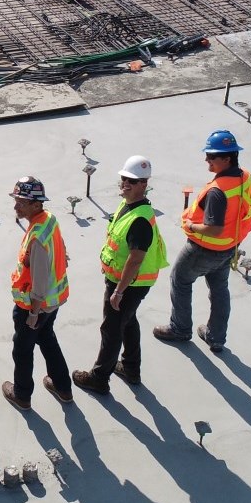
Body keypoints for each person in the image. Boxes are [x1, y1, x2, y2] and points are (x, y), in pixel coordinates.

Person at [155, 130, 251, 353]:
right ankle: (216, 337)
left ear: (227, 158)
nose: (207, 160)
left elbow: (213, 229)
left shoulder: (217, 192)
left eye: (212, 156)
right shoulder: (244, 177)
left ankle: (180, 329)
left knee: (180, 280)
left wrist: (190, 226)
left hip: (204, 249)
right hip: (229, 247)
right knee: (219, 289)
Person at [74, 156, 168, 394]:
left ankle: (98, 378)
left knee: (112, 328)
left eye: (132, 181)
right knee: (127, 321)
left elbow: (135, 258)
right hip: (124, 281)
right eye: (124, 179)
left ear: (144, 184)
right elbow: (117, 242)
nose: (125, 184)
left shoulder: (139, 220)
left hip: (129, 284)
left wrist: (119, 290)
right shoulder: (128, 206)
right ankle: (130, 367)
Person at [1, 177, 73, 410]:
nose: (16, 206)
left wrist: (33, 312)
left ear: (35, 204)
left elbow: (40, 279)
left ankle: (22, 395)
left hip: (35, 306)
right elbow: (60, 246)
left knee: (22, 350)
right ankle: (63, 387)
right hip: (53, 302)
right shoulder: (48, 219)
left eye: (21, 202)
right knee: (47, 338)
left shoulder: (37, 237)